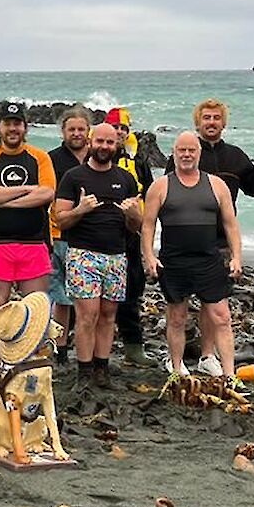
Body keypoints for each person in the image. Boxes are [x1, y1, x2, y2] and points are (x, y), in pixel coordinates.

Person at [143, 131, 242, 381]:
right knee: (176, 318)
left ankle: (230, 374)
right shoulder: (161, 185)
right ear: (174, 154)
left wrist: (237, 257)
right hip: (174, 262)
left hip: (208, 260)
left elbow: (231, 224)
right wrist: (149, 257)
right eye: (181, 150)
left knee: (222, 316)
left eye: (191, 150)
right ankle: (176, 368)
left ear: (199, 153)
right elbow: (148, 225)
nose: (186, 155)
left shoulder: (216, 185)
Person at [51, 124, 143, 387]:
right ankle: (84, 371)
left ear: (117, 145)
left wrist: (134, 216)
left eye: (110, 143)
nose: (105, 147)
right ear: (91, 142)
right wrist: (80, 209)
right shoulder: (73, 176)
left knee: (108, 315)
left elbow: (135, 227)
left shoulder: (125, 179)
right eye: (100, 141)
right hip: (82, 254)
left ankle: (102, 369)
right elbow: (60, 220)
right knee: (87, 315)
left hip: (116, 256)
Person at [188, 99, 254, 375]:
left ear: (223, 123)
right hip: (188, 237)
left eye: (216, 118)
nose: (211, 122)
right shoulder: (187, 152)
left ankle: (207, 355)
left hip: (221, 242)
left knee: (213, 302)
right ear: (198, 123)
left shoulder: (235, 156)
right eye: (206, 118)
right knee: (177, 304)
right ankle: (175, 356)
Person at [0, 102, 56, 367]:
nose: (12, 128)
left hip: (33, 242)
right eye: (7, 123)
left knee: (37, 308)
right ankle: (0, 364)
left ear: (25, 127)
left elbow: (47, 193)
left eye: (17, 123)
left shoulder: (39, 157)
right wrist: (28, 191)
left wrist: (6, 200)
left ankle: (31, 362)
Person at [102, 107, 156, 368]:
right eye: (115, 128)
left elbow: (153, 196)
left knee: (132, 292)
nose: (120, 133)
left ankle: (133, 348)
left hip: (132, 236)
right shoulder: (98, 157)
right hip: (101, 236)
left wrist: (149, 237)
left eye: (123, 129)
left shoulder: (138, 162)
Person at [45, 107, 94, 359]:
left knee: (88, 300)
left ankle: (87, 348)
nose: (76, 133)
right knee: (61, 297)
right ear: (63, 132)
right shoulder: (52, 159)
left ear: (89, 131)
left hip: (91, 237)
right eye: (71, 129)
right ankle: (60, 346)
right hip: (59, 235)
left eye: (81, 129)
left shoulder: (98, 157)